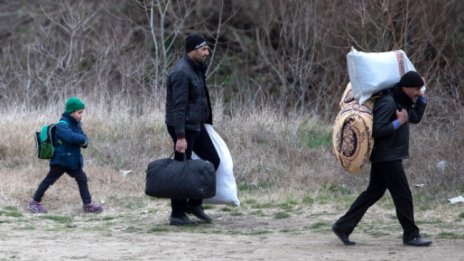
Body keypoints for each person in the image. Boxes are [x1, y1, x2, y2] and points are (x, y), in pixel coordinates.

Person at [332, 71, 432, 247]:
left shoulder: (403, 100)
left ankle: (342, 226)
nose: (418, 92)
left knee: (374, 192)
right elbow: (377, 130)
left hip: (389, 155)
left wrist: (422, 99)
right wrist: (397, 122)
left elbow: (414, 118)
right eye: (416, 89)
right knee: (403, 195)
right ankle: (411, 235)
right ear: (406, 87)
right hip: (387, 156)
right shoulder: (388, 101)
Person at [165, 34, 220, 226]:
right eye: (203, 49)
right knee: (181, 169)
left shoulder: (196, 68)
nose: (207, 53)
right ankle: (177, 214)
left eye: (207, 48)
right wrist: (180, 137)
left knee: (213, 160)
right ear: (193, 50)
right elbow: (178, 108)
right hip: (182, 127)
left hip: (195, 124)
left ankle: (194, 204)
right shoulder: (181, 73)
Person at [28, 97, 103, 214]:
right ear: (71, 112)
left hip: (72, 161)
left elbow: (83, 138)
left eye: (82, 112)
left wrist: (83, 141)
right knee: (49, 180)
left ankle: (88, 204)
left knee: (81, 178)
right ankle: (34, 202)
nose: (81, 115)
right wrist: (83, 139)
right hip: (61, 160)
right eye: (79, 112)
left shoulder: (76, 124)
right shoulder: (62, 125)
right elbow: (71, 137)